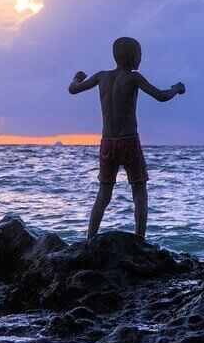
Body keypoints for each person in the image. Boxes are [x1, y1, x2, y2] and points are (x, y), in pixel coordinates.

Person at [68, 37, 185, 240]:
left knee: (103, 194)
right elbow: (161, 96)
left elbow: (73, 89)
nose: (141, 59)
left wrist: (77, 77)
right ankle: (139, 240)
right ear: (134, 59)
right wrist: (176, 88)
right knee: (139, 191)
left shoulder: (101, 77)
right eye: (140, 56)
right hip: (128, 140)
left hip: (107, 143)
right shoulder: (134, 77)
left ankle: (90, 240)